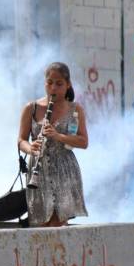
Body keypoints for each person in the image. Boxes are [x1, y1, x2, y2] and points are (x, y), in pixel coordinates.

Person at [17, 62, 88, 227]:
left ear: (68, 84)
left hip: (64, 169)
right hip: (39, 170)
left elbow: (84, 142)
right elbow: (21, 140)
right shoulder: (31, 108)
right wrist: (31, 148)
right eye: (49, 83)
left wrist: (59, 136)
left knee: (59, 222)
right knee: (41, 220)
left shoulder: (76, 109)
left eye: (59, 84)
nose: (53, 88)